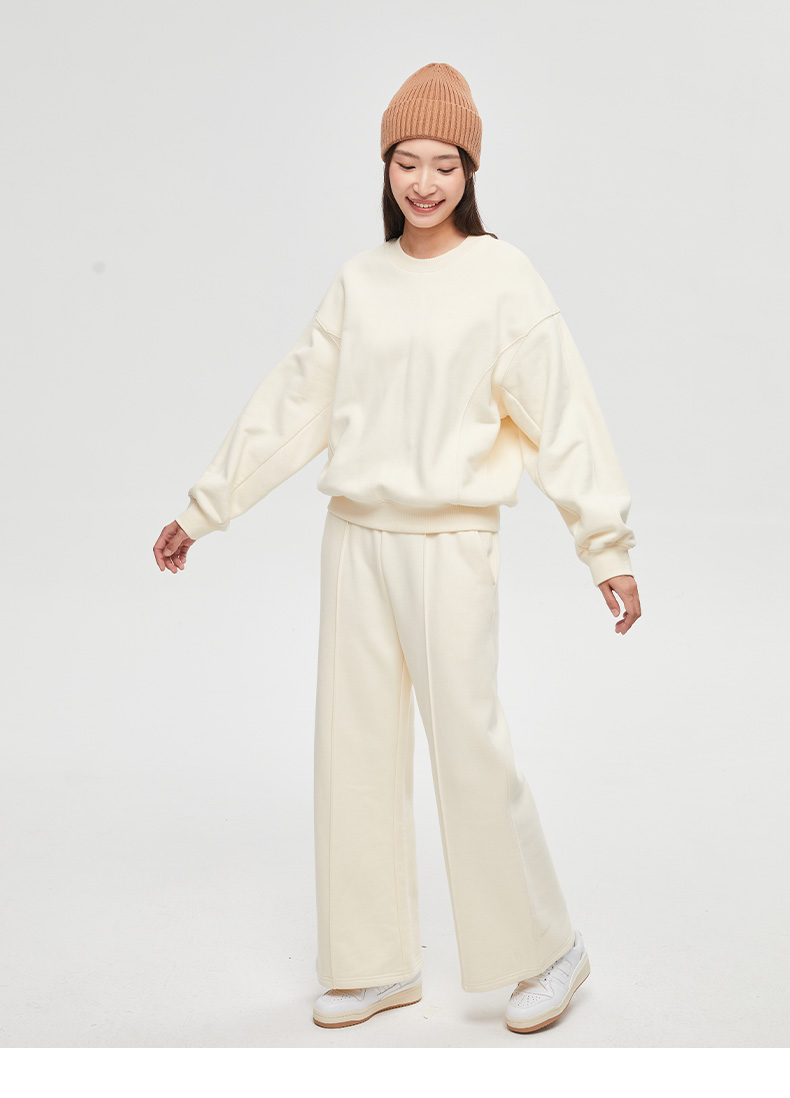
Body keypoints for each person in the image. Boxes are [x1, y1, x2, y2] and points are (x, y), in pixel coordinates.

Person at [153, 61, 642, 1034]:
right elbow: (295, 402)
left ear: (470, 171)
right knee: (355, 750)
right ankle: (374, 961)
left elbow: (563, 416)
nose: (424, 182)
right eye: (406, 162)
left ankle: (550, 948)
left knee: (469, 746)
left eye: (444, 165)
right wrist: (208, 507)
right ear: (384, 167)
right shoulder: (362, 281)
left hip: (451, 540)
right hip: (356, 539)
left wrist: (606, 547)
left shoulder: (503, 278)